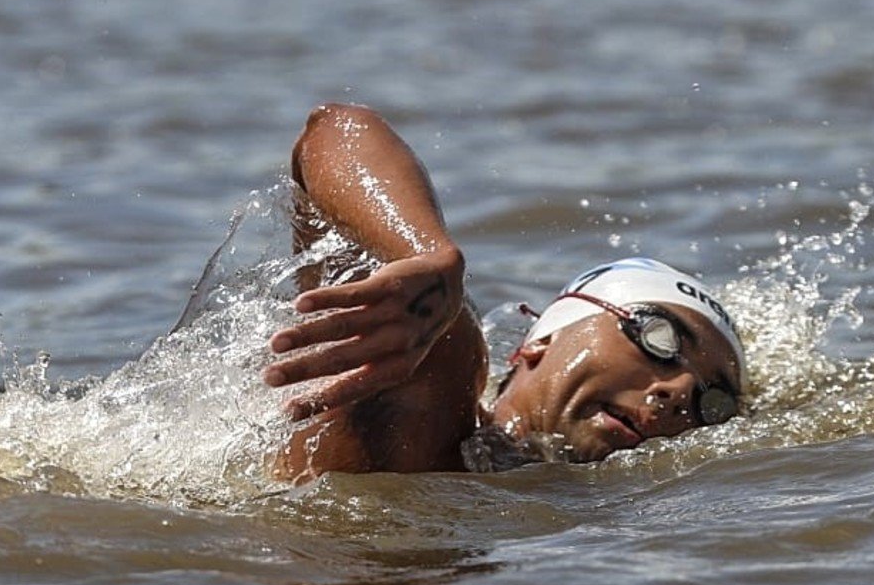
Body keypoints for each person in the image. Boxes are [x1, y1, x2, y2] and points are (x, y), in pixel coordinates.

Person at [264, 103, 746, 480]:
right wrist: (429, 256)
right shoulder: (437, 380)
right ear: (540, 339)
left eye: (713, 401)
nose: (681, 390)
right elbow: (335, 130)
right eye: (658, 339)